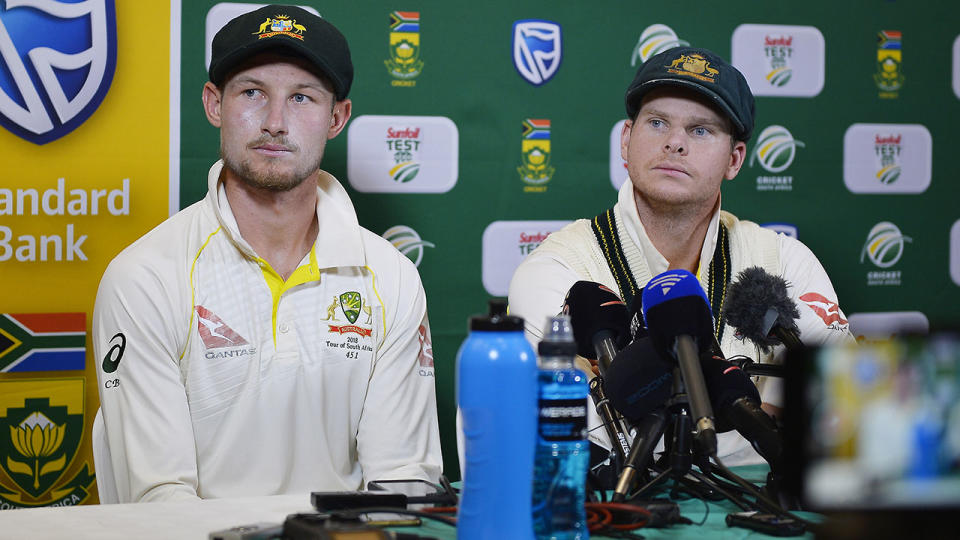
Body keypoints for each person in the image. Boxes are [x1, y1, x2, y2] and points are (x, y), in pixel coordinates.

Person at [93, 5, 441, 502]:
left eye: (302, 97)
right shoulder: (145, 277)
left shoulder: (392, 277)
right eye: (252, 93)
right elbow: (160, 506)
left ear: (337, 117)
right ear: (215, 104)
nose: (275, 122)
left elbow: (401, 489)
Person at [508, 47, 854, 465]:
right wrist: (767, 423)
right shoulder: (560, 270)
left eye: (701, 130)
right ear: (626, 139)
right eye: (657, 123)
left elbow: (844, 416)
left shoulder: (783, 263)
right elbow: (574, 448)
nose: (674, 143)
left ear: (735, 159)